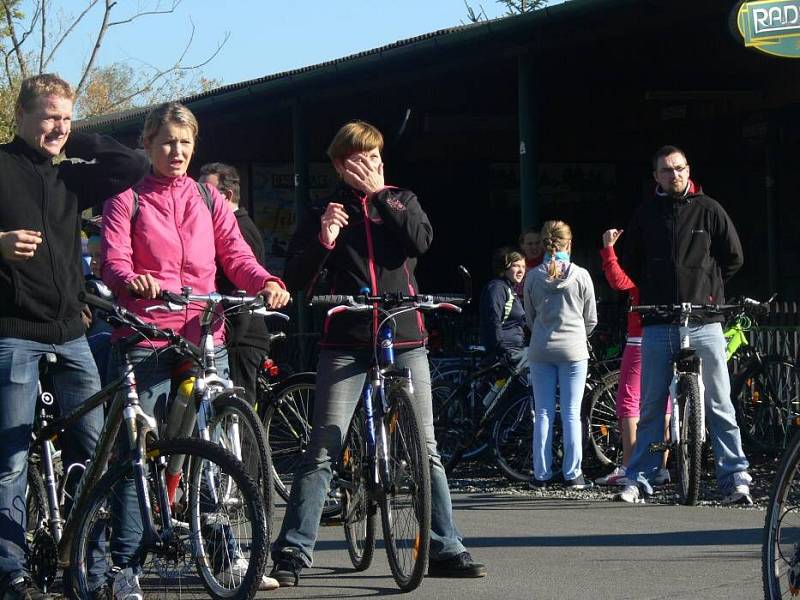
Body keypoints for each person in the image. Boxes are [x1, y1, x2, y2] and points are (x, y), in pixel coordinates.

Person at [270, 120, 486, 585]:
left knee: (424, 446)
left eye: (375, 157)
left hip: (404, 335)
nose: (369, 165)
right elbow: (295, 279)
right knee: (324, 446)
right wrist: (325, 238)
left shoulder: (401, 199)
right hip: (345, 340)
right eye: (359, 159)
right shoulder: (320, 210)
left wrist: (381, 198)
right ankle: (291, 552)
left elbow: (421, 242)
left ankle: (446, 546)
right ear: (338, 165)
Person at [101, 102, 289, 597]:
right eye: (166, 142)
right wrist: (133, 281)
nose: (176, 151)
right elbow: (113, 261)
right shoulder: (127, 202)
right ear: (147, 144)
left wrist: (266, 281)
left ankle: (224, 554)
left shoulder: (209, 199)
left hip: (205, 334)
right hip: (147, 337)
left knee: (212, 448)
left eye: (185, 143)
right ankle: (126, 567)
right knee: (138, 453)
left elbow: (237, 255)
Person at [0, 73, 149, 600]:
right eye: (48, 117)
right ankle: (8, 571)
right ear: (21, 115)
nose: (58, 127)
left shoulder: (70, 177)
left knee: (95, 453)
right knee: (11, 461)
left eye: (66, 117)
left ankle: (89, 564)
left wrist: (76, 134)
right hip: (13, 332)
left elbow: (134, 165)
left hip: (70, 333)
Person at [615, 145, 751, 504]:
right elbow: (630, 260)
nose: (674, 175)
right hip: (659, 319)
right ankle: (639, 478)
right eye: (666, 170)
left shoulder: (710, 210)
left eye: (679, 168)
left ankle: (735, 478)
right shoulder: (646, 214)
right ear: (655, 176)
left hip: (705, 319)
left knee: (720, 402)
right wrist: (654, 286)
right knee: (651, 404)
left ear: (688, 170)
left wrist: (710, 289)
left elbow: (733, 257)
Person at [524, 220, 597, 490]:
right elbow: (591, 318)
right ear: (569, 243)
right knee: (571, 412)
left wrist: (543, 331)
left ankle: (540, 474)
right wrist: (577, 334)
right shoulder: (581, 275)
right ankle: (573, 474)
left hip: (541, 348)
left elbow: (530, 316)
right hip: (574, 349)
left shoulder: (532, 277)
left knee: (542, 412)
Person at [594, 229, 670, 487]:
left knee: (629, 402)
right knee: (664, 404)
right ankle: (660, 465)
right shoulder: (676, 271)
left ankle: (630, 464)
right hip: (670, 338)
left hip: (640, 339)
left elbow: (618, 281)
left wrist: (609, 250)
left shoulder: (644, 271)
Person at [199, 162, 270, 405]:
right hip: (236, 335)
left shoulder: (240, 229)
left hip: (242, 338)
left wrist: (231, 340)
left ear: (226, 196)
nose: (201, 200)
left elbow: (242, 292)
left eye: (207, 193)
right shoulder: (231, 227)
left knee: (239, 415)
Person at [479, 247, 527, 369]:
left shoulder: (509, 288)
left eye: (523, 266)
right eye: (516, 265)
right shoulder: (497, 288)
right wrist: (500, 349)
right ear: (504, 267)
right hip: (506, 353)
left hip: (515, 349)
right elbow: (493, 319)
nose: (521, 270)